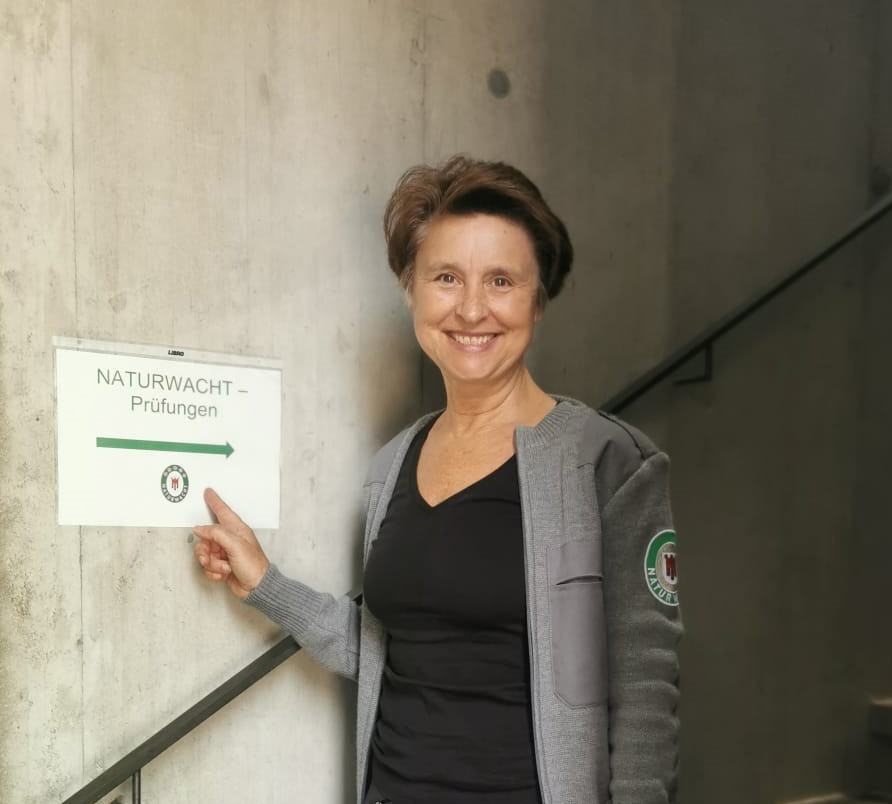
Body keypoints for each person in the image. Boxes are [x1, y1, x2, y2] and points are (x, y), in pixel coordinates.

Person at [193, 156, 682, 804]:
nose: (472, 309)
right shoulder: (393, 463)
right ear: (411, 291)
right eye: (447, 277)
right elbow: (383, 652)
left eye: (501, 280)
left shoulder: (608, 462)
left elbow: (644, 695)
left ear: (538, 301)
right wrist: (266, 584)